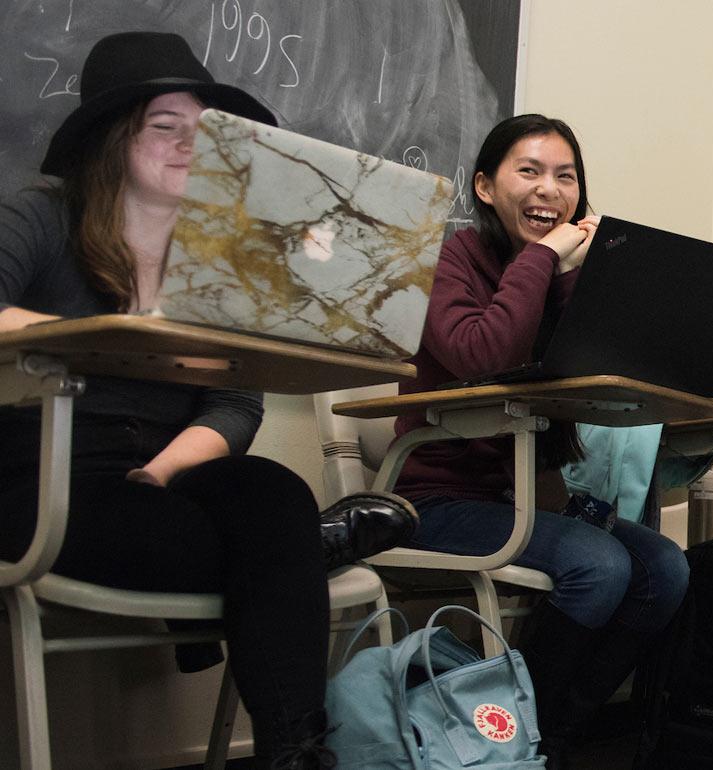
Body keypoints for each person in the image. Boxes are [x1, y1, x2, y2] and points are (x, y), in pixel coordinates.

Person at [0, 31, 410, 769]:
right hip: (46, 475)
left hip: (159, 478)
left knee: (275, 494)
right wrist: (109, 334)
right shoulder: (43, 217)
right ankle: (308, 550)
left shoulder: (220, 261)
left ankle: (295, 753)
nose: (191, 144)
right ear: (111, 136)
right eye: (166, 126)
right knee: (270, 543)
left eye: (204, 130)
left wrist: (158, 474)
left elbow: (235, 405)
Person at [391, 113, 689, 767]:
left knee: (665, 569)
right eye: (528, 171)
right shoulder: (448, 259)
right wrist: (546, 255)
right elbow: (481, 350)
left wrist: (596, 280)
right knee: (600, 566)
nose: (549, 190)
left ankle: (550, 732)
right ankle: (521, 735)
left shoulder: (563, 275)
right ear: (485, 187)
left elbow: (596, 374)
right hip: (434, 502)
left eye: (566, 177)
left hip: (529, 498)